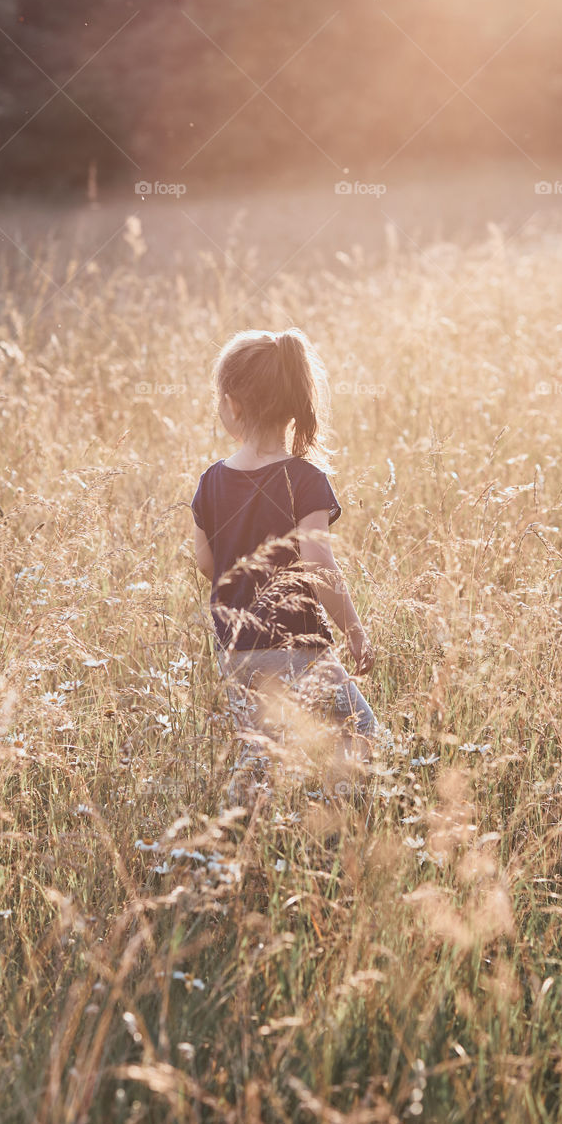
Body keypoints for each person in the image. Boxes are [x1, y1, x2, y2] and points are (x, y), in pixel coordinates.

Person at [190, 327, 378, 805]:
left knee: (261, 756)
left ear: (230, 404)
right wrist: (353, 628)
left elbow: (204, 560)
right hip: (299, 648)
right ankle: (345, 823)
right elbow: (318, 563)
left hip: (235, 651)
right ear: (294, 404)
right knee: (360, 731)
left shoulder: (211, 481)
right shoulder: (303, 479)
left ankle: (242, 844)